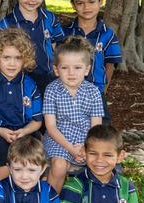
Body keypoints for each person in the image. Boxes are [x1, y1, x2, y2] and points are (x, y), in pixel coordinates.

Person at [0, 28, 42, 203]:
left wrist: (24, 131)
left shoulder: (30, 85)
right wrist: (0, 130)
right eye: (6, 58)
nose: (12, 63)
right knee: (4, 168)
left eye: (18, 58)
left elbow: (37, 121)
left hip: (25, 133)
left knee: (31, 162)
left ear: (25, 59)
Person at [44, 36, 104, 193]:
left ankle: (89, 201)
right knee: (58, 166)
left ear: (87, 69)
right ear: (56, 70)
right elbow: (50, 127)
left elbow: (96, 127)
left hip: (86, 140)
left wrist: (86, 147)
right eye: (65, 68)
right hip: (59, 139)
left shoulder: (93, 91)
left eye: (77, 68)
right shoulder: (52, 90)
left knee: (100, 164)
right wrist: (70, 148)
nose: (71, 73)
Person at [0, 0, 64, 93]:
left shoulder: (50, 18)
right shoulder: (6, 24)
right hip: (19, 82)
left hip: (48, 81)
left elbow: (58, 45)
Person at [64, 0, 122, 123]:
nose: (86, 8)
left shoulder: (107, 34)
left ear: (100, 1)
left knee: (101, 130)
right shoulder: (65, 33)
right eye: (80, 3)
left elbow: (110, 65)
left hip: (96, 92)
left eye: (91, 1)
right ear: (73, 4)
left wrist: (103, 89)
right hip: (68, 93)